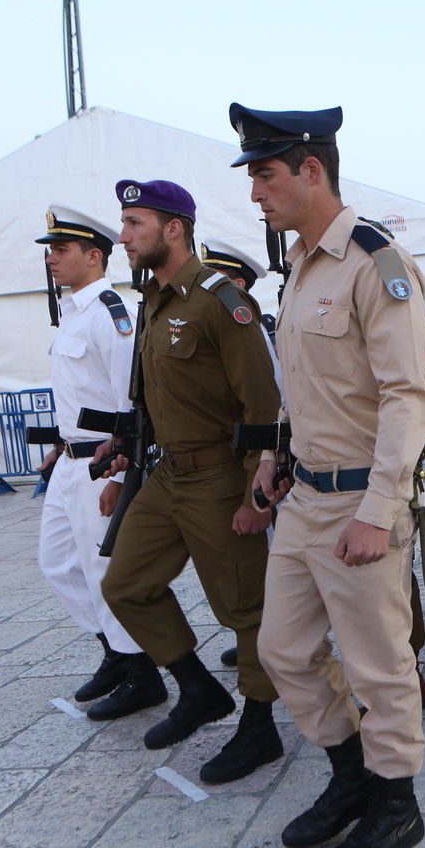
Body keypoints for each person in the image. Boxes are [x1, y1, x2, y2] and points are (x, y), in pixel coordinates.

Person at [236, 104, 425, 848]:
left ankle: (396, 802)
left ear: (311, 169)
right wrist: (274, 458)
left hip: (361, 503)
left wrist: (377, 512)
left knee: (380, 665)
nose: (257, 193)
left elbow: (406, 399)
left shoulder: (374, 262)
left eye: (266, 173)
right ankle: (351, 774)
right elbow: (306, 382)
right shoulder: (303, 266)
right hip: (305, 497)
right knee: (282, 648)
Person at [97, 179, 284, 785]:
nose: (122, 237)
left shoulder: (220, 300)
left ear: (173, 228)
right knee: (125, 584)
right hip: (165, 474)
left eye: (134, 224)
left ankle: (260, 728)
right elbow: (155, 398)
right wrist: (126, 451)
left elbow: (263, 401)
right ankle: (198, 689)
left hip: (219, 477)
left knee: (245, 610)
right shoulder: (155, 300)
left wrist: (258, 489)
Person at [32, 206, 167, 719]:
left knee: (101, 566)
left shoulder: (112, 313)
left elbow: (129, 397)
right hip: (70, 459)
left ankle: (141, 672)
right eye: (50, 250)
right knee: (59, 563)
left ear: (94, 255)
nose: (52, 259)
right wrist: (61, 441)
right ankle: (114, 652)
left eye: (61, 250)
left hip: (102, 462)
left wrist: (127, 466)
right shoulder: (74, 312)